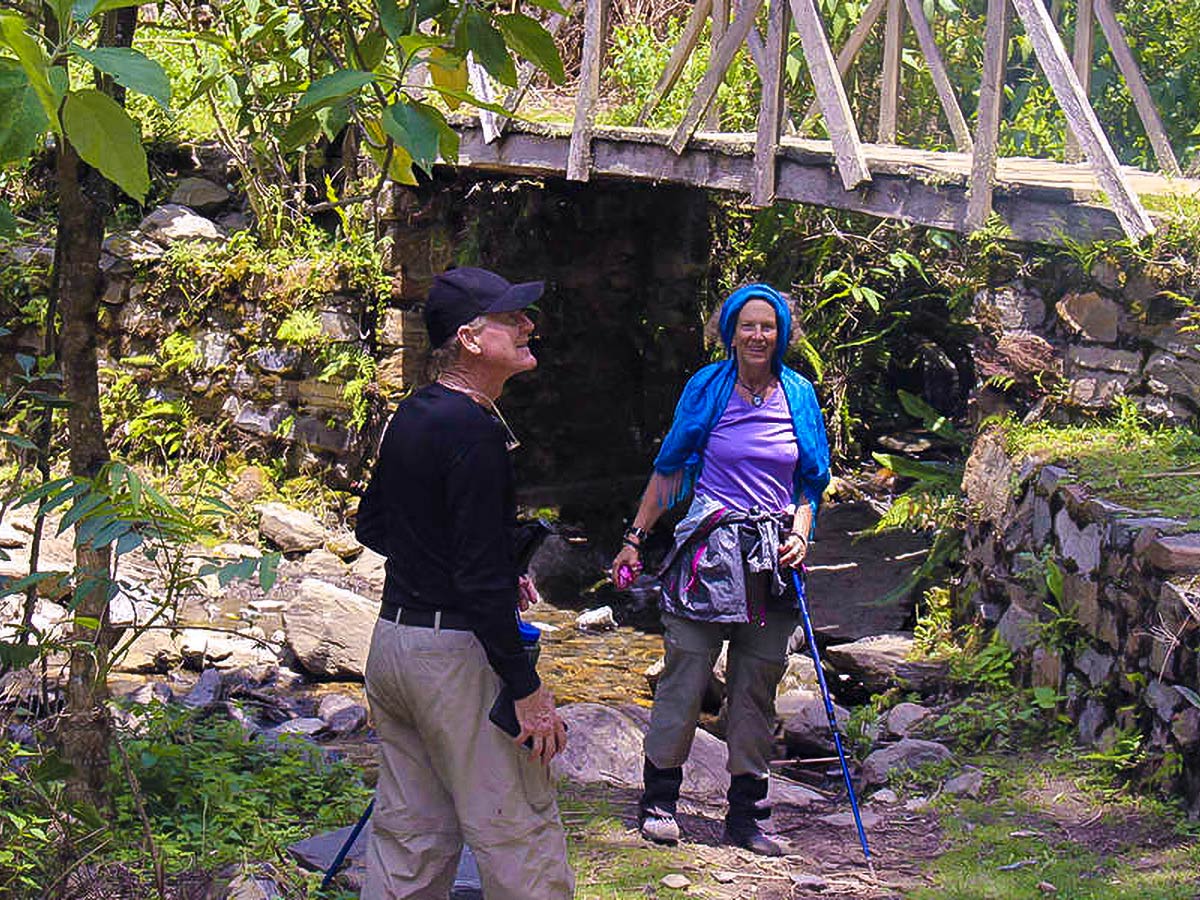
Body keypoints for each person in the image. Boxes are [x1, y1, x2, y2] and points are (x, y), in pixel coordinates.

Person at [355, 266, 574, 899]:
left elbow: (373, 523)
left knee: (410, 835)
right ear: (472, 339)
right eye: (512, 318)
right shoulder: (475, 431)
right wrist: (527, 689)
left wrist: (470, 565)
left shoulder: (416, 412)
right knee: (519, 835)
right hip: (454, 660)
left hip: (393, 646)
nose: (528, 325)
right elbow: (479, 586)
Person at [610, 283, 830, 857]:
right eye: (747, 326)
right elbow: (672, 465)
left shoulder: (799, 394)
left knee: (757, 686)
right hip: (709, 553)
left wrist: (802, 532)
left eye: (769, 326)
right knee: (685, 678)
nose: (758, 336)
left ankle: (748, 816)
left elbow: (809, 482)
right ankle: (659, 801)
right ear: (729, 332)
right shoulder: (707, 388)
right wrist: (636, 537)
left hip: (772, 556)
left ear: (783, 335)